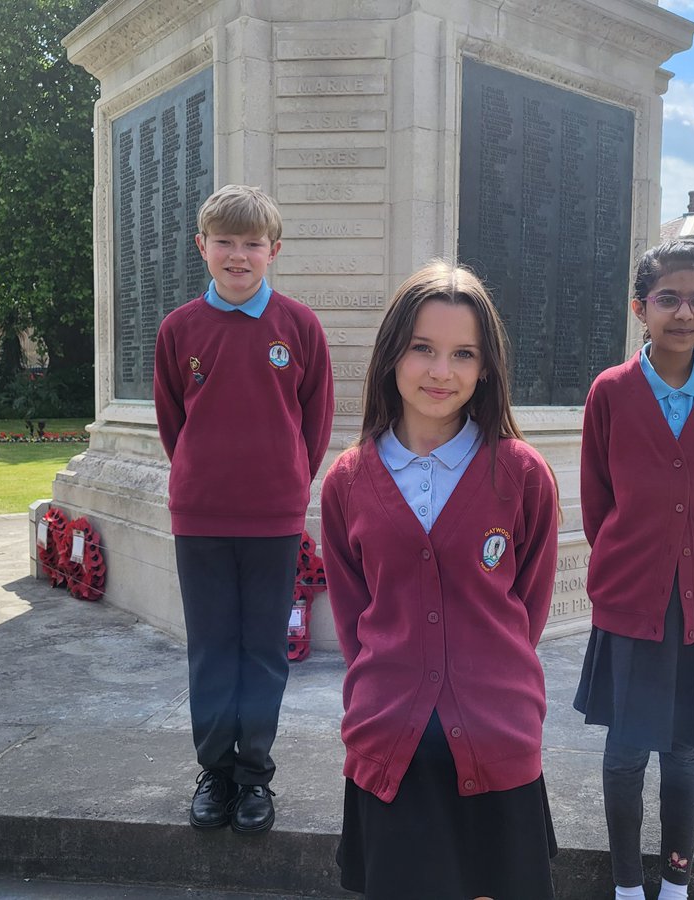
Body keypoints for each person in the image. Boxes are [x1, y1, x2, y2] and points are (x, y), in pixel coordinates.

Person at [320, 260, 561, 900]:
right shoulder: (349, 480)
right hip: (389, 742)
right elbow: (353, 618)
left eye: (463, 354)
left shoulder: (521, 474)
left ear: (485, 370)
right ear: (392, 355)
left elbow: (526, 609)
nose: (440, 371)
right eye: (422, 348)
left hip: (498, 733)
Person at [575, 240, 694, 900]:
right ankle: (628, 884)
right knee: (627, 751)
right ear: (640, 309)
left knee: (684, 750)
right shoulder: (612, 393)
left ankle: (676, 882)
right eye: (668, 299)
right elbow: (598, 502)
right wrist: (635, 565)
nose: (684, 312)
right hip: (633, 600)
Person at [153, 183, 334, 834]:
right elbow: (174, 423)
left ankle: (255, 776)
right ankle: (215, 773)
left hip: (272, 520)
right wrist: (204, 476)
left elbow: (315, 421)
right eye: (224, 242)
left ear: (273, 250)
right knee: (210, 649)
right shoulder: (179, 330)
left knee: (261, 651)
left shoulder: (299, 327)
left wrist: (286, 482)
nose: (237, 255)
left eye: (251, 244)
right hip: (199, 517)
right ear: (202, 247)